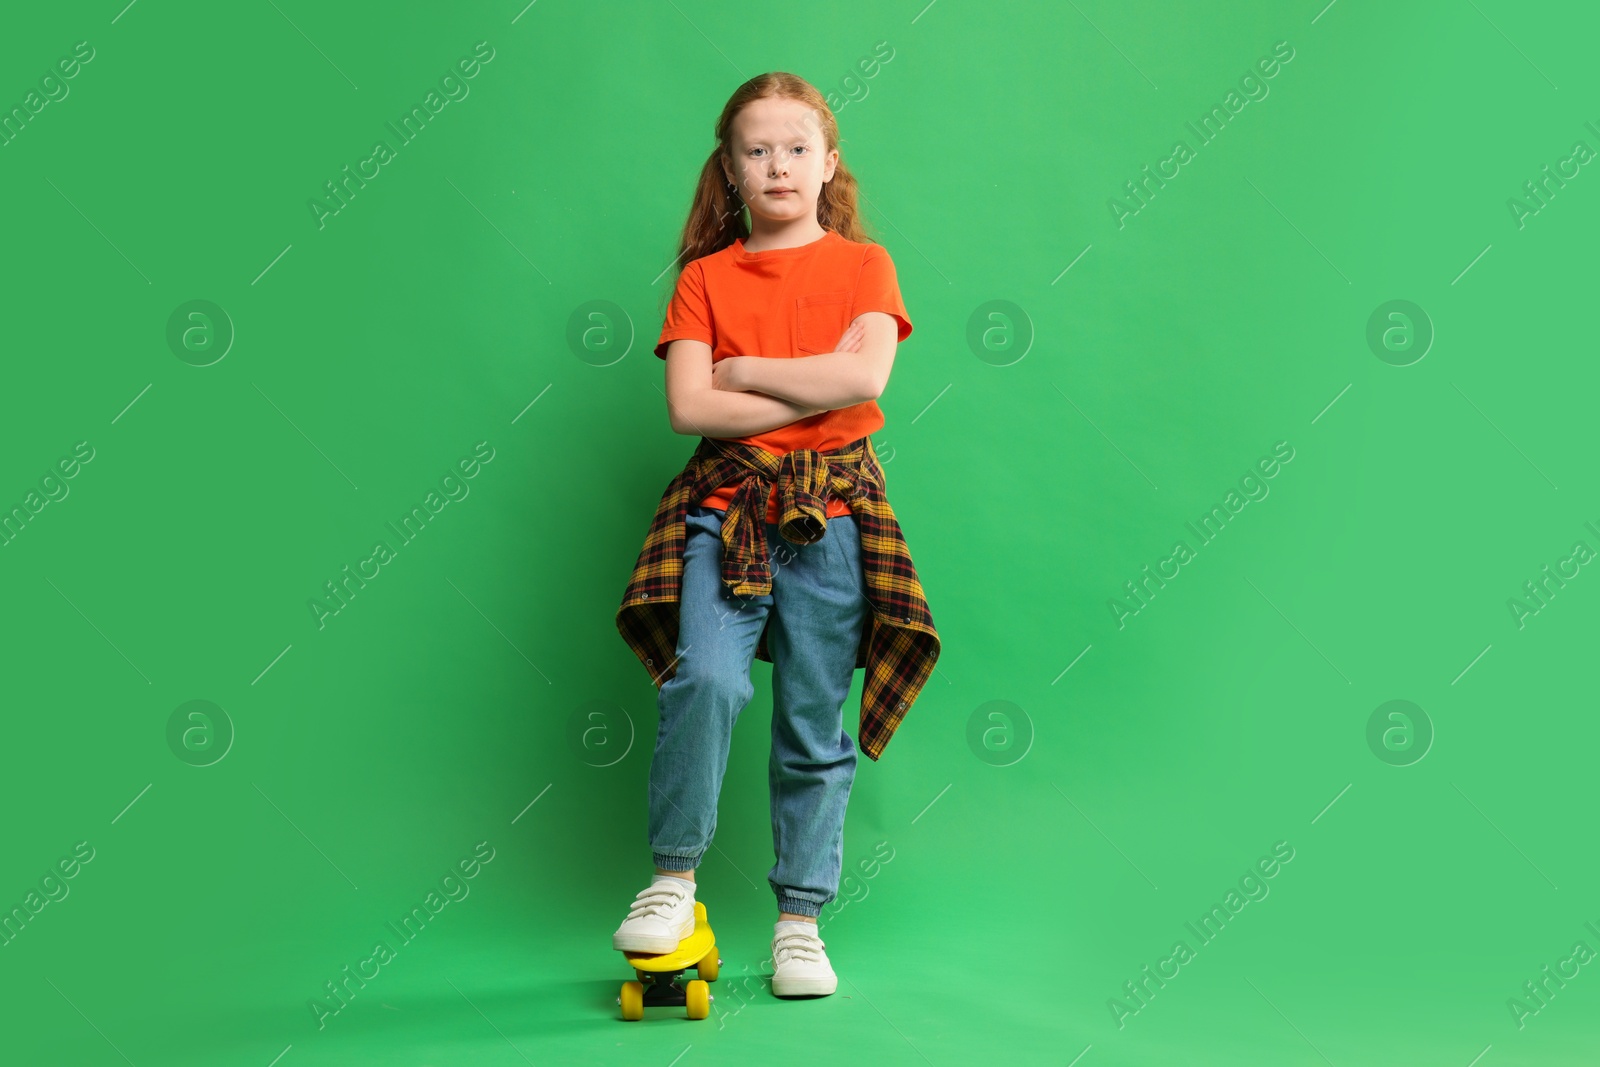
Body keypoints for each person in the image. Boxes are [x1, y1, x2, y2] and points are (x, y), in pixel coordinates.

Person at [611, 71, 939, 999]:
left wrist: (744, 368)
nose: (779, 163)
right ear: (731, 169)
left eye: (797, 147)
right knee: (704, 677)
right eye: (757, 150)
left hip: (833, 520)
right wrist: (807, 375)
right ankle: (672, 880)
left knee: (809, 719)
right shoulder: (705, 277)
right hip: (728, 513)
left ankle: (800, 921)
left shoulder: (863, 266)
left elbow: (864, 382)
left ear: (829, 162)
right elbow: (687, 405)